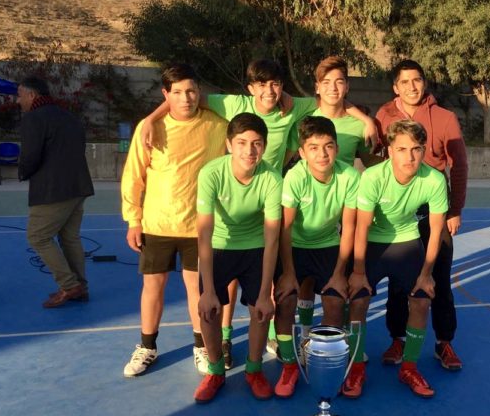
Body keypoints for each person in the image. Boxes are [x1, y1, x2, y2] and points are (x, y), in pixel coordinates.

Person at [139, 59, 376, 368]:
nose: (269, 91)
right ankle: (223, 337)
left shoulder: (296, 109)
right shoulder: (233, 104)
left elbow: (330, 99)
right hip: (237, 202)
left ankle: (279, 343)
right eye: (261, 85)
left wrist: (364, 119)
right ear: (250, 88)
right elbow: (187, 98)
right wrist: (150, 118)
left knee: (272, 283)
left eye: (275, 84)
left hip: (271, 195)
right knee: (230, 280)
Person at [120, 64, 227, 378]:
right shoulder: (150, 128)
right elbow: (133, 178)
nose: (186, 98)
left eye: (191, 90)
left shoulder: (218, 124)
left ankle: (201, 347)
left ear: (200, 92)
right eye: (177, 92)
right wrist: (133, 220)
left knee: (198, 289)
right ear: (165, 95)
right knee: (153, 286)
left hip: (201, 227)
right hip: (157, 225)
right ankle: (147, 347)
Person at [375, 60, 468, 371]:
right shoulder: (384, 115)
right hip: (397, 211)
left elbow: (460, 165)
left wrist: (455, 209)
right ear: (395, 87)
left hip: (434, 207)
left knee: (438, 276)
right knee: (399, 282)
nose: (412, 86)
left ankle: (445, 343)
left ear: (424, 83)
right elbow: (376, 157)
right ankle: (398, 338)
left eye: (417, 80)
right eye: (405, 82)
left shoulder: (444, 118)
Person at [350, 119, 448, 397]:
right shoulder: (372, 177)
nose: (410, 156)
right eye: (402, 149)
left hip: (407, 242)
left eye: (416, 149)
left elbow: (437, 230)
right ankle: (356, 369)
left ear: (424, 150)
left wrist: (426, 273)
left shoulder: (434, 179)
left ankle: (409, 367)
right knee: (358, 300)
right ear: (390, 150)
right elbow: (361, 227)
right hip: (372, 245)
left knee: (420, 299)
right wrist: (357, 271)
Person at [286, 56, 381, 341]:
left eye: (339, 81)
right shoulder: (304, 114)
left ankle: (334, 340)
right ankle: (296, 332)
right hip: (304, 200)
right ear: (317, 87)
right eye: (326, 82)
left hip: (339, 203)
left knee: (333, 279)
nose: (333, 88)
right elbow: (290, 155)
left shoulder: (358, 124)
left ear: (347, 86)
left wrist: (367, 121)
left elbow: (370, 162)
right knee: (297, 281)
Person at [193, 113, 283, 403]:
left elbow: (272, 239)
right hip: (219, 245)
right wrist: (207, 291)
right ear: (230, 145)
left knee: (260, 309)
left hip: (256, 246)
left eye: (257, 143)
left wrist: (267, 292)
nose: (249, 150)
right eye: (242, 142)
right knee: (207, 309)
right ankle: (216, 371)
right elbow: (204, 234)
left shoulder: (271, 177)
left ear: (265, 146)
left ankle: (254, 370)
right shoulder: (211, 172)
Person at [274, 116, 361, 398]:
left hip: (328, 246)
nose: (321, 154)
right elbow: (285, 229)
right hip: (295, 246)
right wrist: (287, 273)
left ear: (337, 148)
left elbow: (349, 226)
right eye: (313, 147)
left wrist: (339, 272)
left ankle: (328, 360)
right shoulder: (296, 176)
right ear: (302, 152)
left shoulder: (349, 176)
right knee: (286, 300)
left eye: (328, 146)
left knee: (335, 301)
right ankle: (289, 364)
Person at [16, 76, 94, 308]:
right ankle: (80, 287)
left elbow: (30, 156)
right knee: (70, 238)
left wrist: (23, 172)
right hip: (77, 187)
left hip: (52, 191)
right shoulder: (69, 117)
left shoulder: (33, 119)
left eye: (20, 95)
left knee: (38, 236)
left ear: (31, 95)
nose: (18, 100)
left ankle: (70, 286)